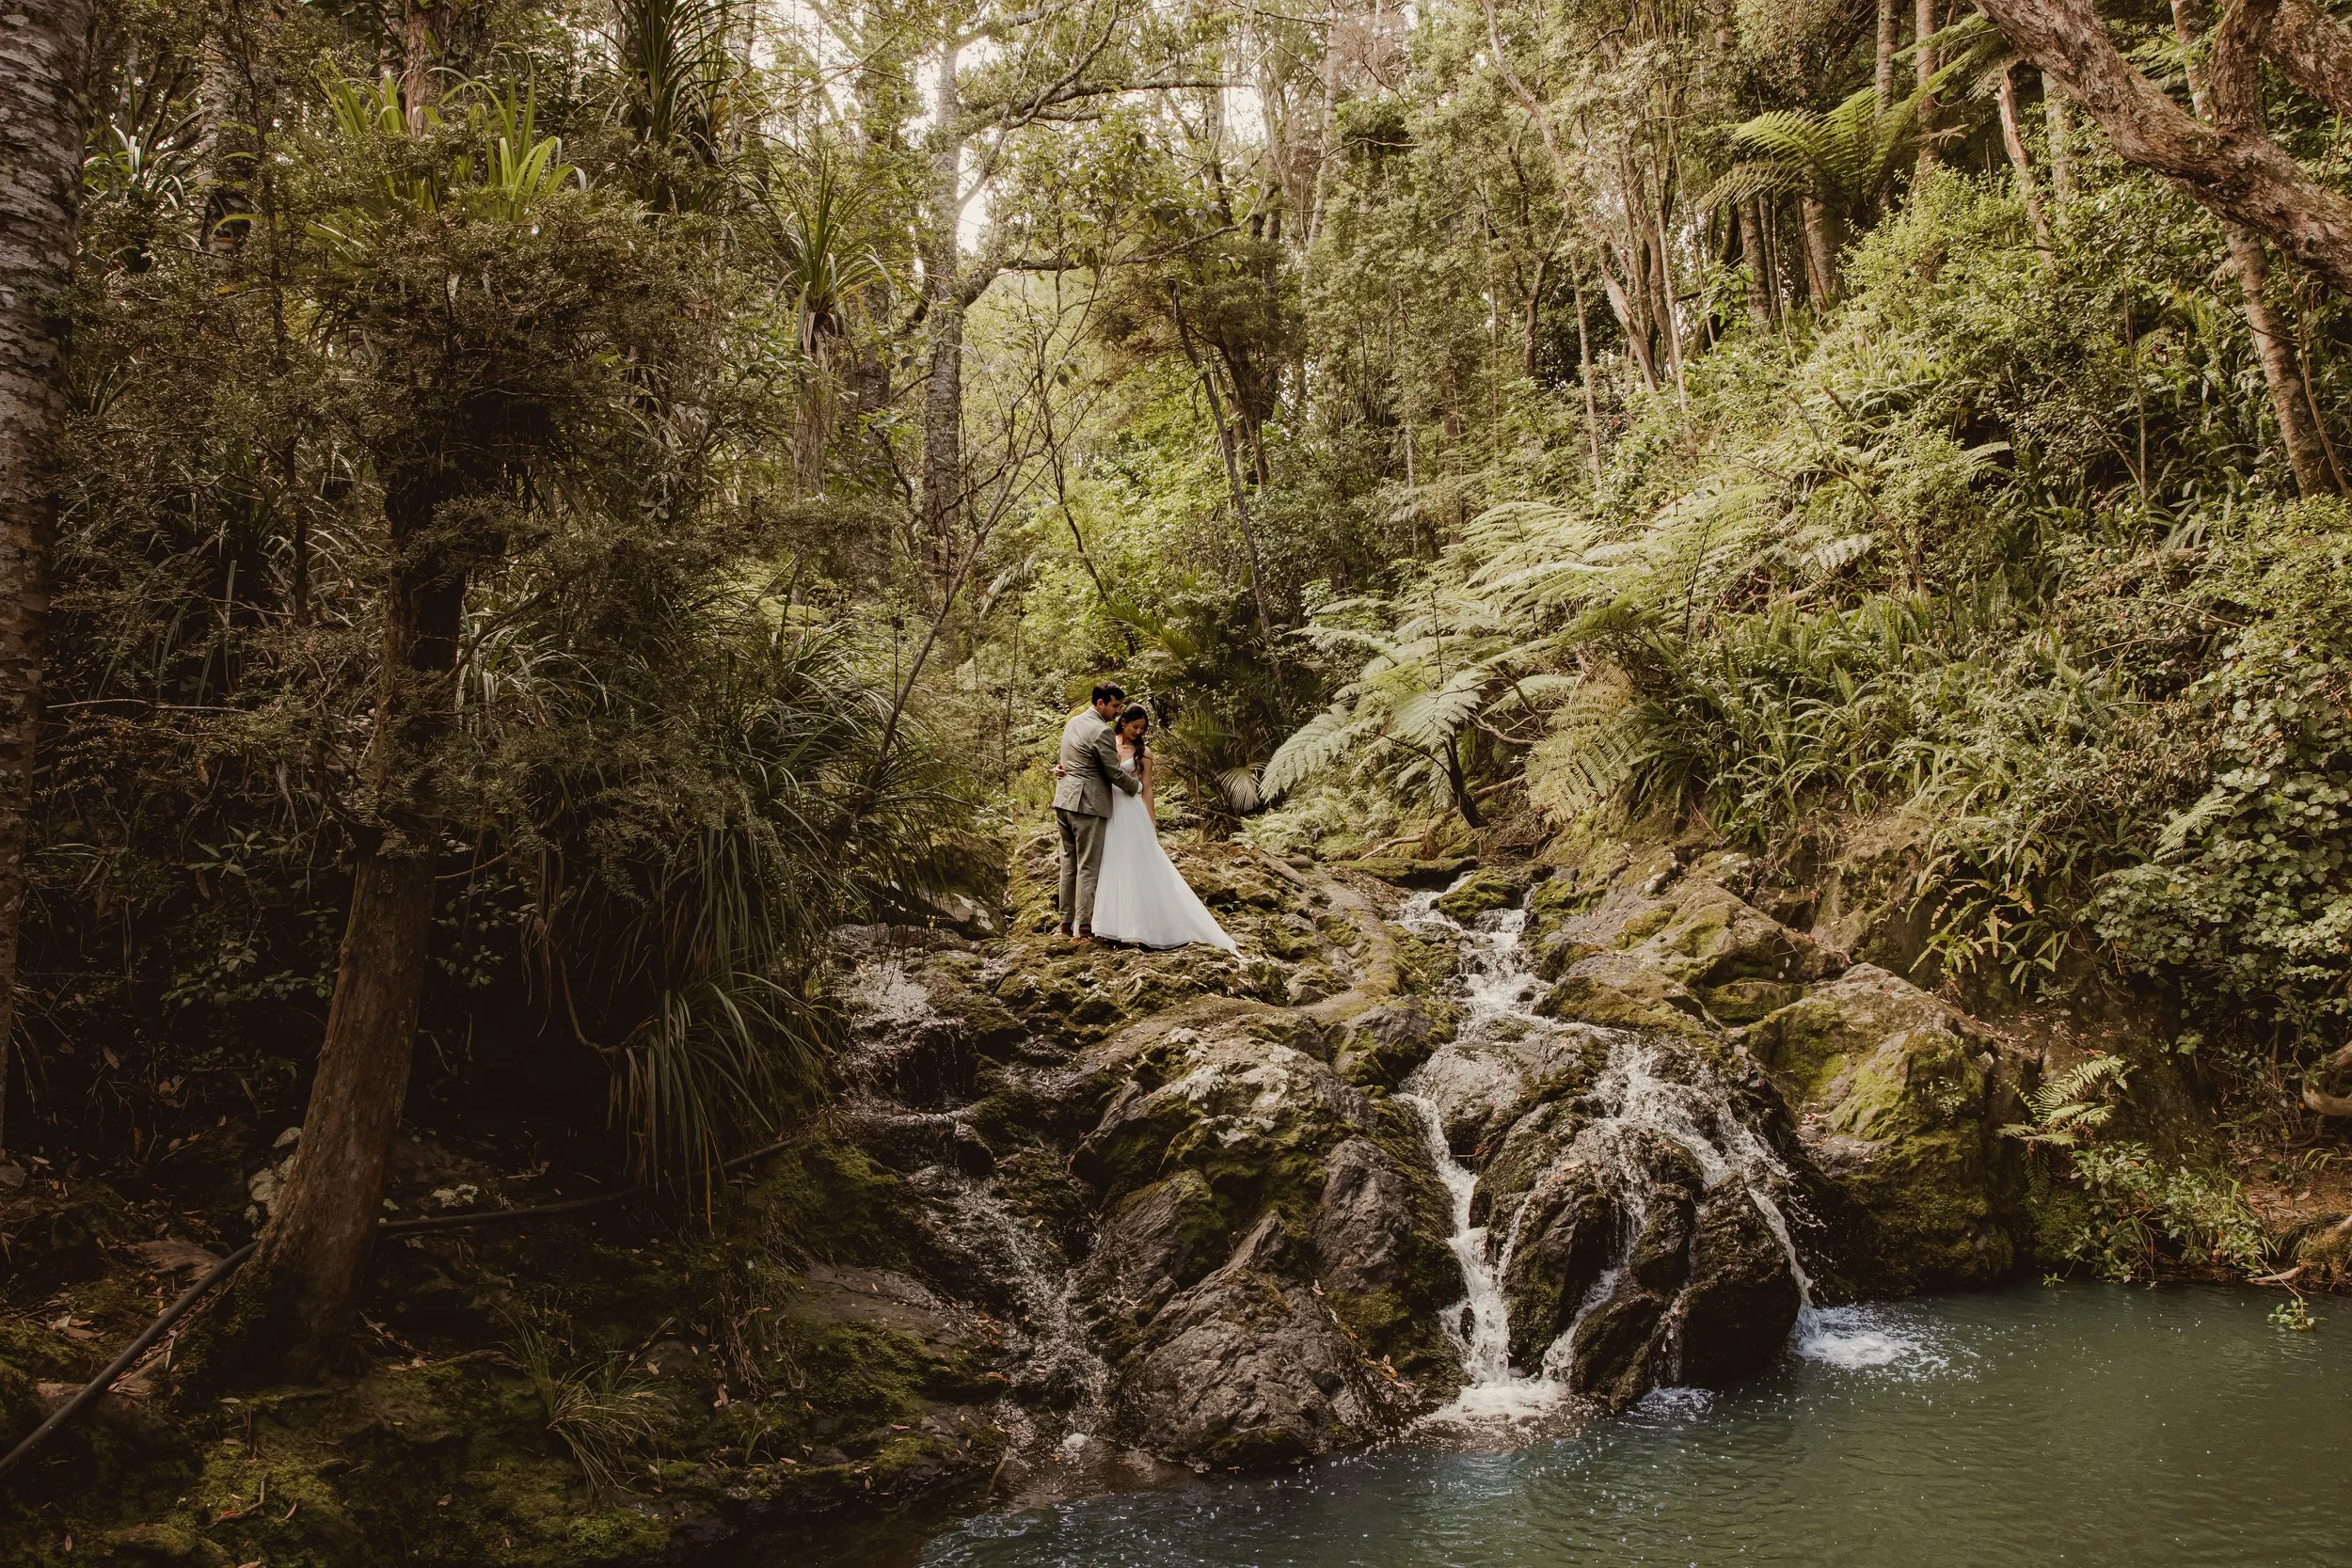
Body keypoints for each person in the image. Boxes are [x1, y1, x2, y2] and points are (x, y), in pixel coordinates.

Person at [1087, 705, 1238, 952]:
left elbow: (1146, 788)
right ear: (1123, 722)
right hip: (1108, 810)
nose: (1138, 732)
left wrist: (1151, 819)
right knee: (1112, 863)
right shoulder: (1106, 743)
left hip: (1131, 812)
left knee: (1137, 866)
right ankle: (1111, 926)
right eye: (1135, 727)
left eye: (1142, 729)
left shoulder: (1144, 753)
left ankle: (1137, 927)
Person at [1053, 682, 1140, 942]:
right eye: (1114, 706)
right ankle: (1085, 929)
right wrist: (1136, 786)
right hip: (1087, 805)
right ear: (1100, 703)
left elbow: (1067, 761)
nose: (1117, 712)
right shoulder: (1101, 731)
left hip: (1064, 801)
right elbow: (1112, 772)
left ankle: (1066, 924)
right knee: (1088, 866)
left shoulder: (1073, 723)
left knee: (1068, 865)